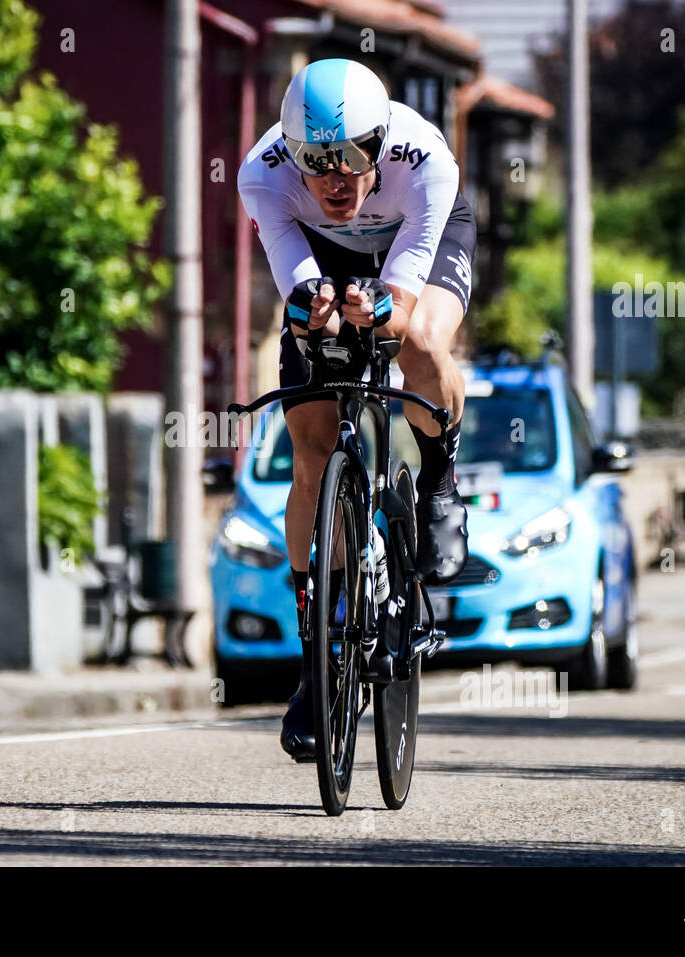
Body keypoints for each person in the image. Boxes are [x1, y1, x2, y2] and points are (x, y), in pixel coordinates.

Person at [236, 58, 476, 761]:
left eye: (352, 157)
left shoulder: (424, 156)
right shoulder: (262, 174)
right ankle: (319, 656)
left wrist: (374, 310)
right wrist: (319, 313)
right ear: (291, 152)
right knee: (309, 456)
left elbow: (397, 307)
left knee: (419, 339)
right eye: (317, 161)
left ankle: (437, 480)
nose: (337, 178)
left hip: (413, 245)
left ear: (380, 144)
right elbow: (301, 299)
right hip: (325, 257)